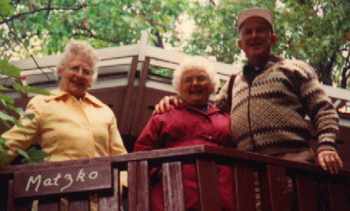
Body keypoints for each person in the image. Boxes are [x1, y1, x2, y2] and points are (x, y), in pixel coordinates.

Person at [154, 8, 343, 174]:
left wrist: (326, 146)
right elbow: (207, 111)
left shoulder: (294, 69)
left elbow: (324, 110)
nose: (254, 36)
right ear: (240, 44)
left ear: (273, 38)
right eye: (248, 32)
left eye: (260, 30)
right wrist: (176, 101)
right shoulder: (233, 82)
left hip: (292, 164)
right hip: (247, 170)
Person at [1, 40, 127, 209]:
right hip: (56, 201)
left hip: (102, 203)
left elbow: (121, 159)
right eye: (75, 68)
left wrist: (125, 188)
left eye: (87, 71)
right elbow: (12, 142)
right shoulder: (42, 104)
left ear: (92, 79)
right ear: (61, 70)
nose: (80, 74)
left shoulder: (104, 111)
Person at [134, 58, 235, 211]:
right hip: (174, 199)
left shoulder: (226, 118)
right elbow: (141, 154)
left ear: (213, 86)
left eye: (201, 78)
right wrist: (162, 173)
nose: (195, 83)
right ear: (179, 88)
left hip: (221, 200)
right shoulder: (164, 115)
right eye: (188, 80)